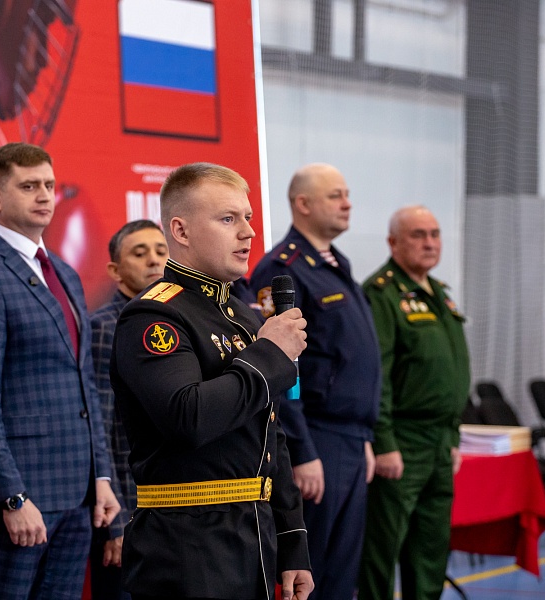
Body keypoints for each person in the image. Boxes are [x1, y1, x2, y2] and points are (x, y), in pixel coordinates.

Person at [110, 162, 314, 600]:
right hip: (187, 540)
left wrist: (292, 538)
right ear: (180, 231)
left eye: (248, 218)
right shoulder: (153, 314)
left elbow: (269, 433)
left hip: (254, 531)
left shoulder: (241, 313)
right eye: (227, 219)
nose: (248, 232)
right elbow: (189, 417)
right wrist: (269, 354)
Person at [0, 142, 120, 599]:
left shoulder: (64, 272)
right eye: (28, 186)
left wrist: (101, 479)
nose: (44, 195)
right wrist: (12, 497)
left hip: (77, 496)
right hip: (19, 499)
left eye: (48, 185)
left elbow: (85, 387)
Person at [249, 163, 380, 599]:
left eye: (347, 194)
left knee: (342, 575)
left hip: (350, 438)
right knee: (313, 572)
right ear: (303, 204)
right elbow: (281, 368)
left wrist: (363, 435)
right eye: (335, 195)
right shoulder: (282, 269)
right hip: (317, 438)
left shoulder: (334, 264)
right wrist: (302, 451)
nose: (348, 204)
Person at [358, 205, 470, 600]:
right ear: (393, 243)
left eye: (434, 234)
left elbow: (451, 375)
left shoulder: (439, 293)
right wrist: (384, 442)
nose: (429, 242)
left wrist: (452, 436)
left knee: (431, 550)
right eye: (418, 235)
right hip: (403, 439)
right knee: (383, 549)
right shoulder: (382, 294)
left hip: (440, 440)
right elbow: (377, 375)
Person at [89, 219, 168, 600]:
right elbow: (102, 428)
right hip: (128, 506)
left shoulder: (174, 321)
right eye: (140, 253)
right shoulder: (105, 326)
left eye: (161, 251)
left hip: (174, 507)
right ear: (115, 271)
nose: (154, 260)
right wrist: (117, 523)